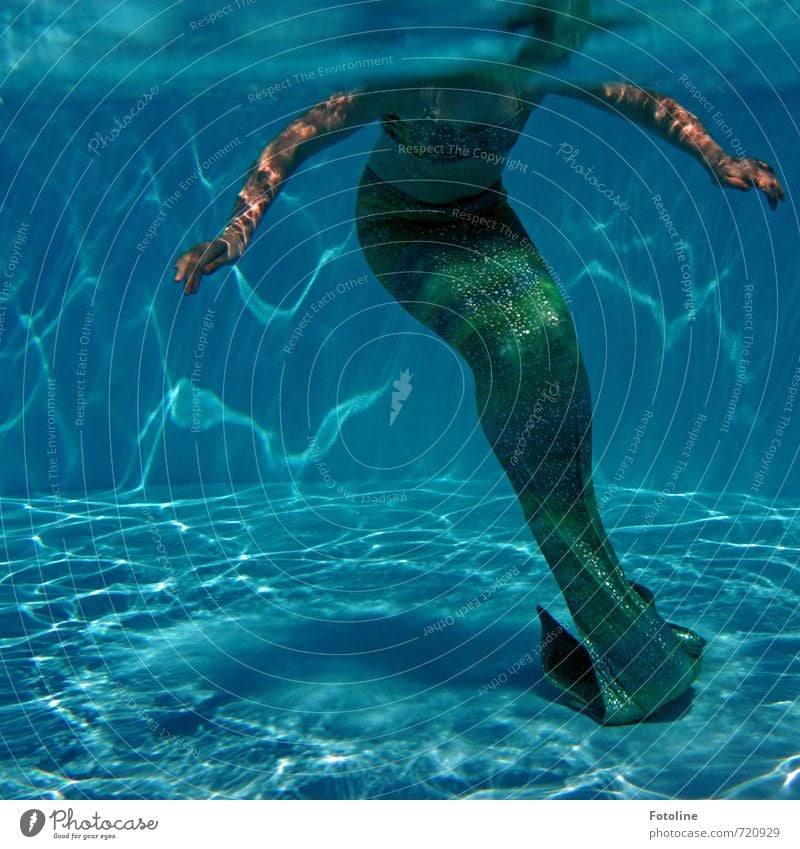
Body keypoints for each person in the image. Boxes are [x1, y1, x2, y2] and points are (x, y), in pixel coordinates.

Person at [173, 7, 784, 724]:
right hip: (401, 228)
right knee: (516, 355)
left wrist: (720, 159)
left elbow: (645, 101)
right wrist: (233, 232)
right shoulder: (407, 77)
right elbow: (297, 139)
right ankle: (605, 606)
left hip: (486, 221)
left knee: (556, 353)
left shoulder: (531, 71)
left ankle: (606, 593)